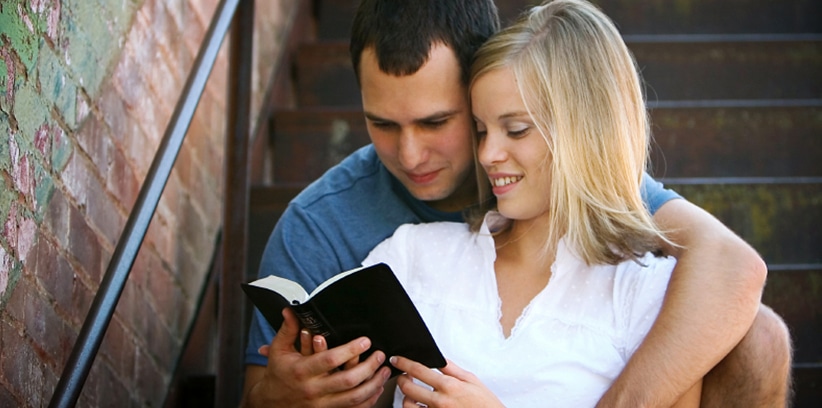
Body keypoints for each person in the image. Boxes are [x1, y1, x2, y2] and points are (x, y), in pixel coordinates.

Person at [240, 0, 791, 407]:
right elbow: (254, 393)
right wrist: (283, 393)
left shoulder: (578, 189)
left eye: (438, 122)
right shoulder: (329, 227)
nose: (409, 154)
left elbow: (731, 264)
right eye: (382, 124)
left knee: (757, 335)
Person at [361, 2, 703, 405]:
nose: (487, 154)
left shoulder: (649, 293)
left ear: (585, 132)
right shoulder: (410, 256)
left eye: (516, 130)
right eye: (481, 129)